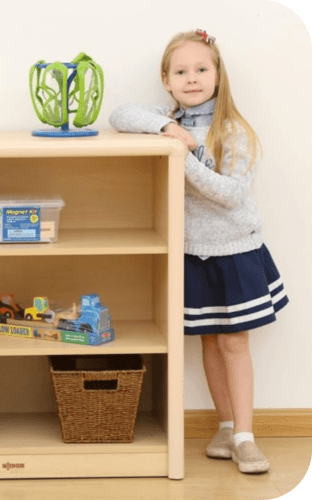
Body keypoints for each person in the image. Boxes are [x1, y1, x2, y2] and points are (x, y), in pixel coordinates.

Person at [109, 29, 289, 474]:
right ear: (167, 79)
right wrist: (169, 128)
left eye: (201, 69)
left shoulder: (233, 130)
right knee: (210, 339)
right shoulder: (169, 118)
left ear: (217, 74)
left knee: (233, 342)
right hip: (193, 250)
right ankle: (226, 427)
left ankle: (246, 436)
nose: (192, 78)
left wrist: (183, 157)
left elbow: (229, 195)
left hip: (234, 251)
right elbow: (121, 114)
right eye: (181, 71)